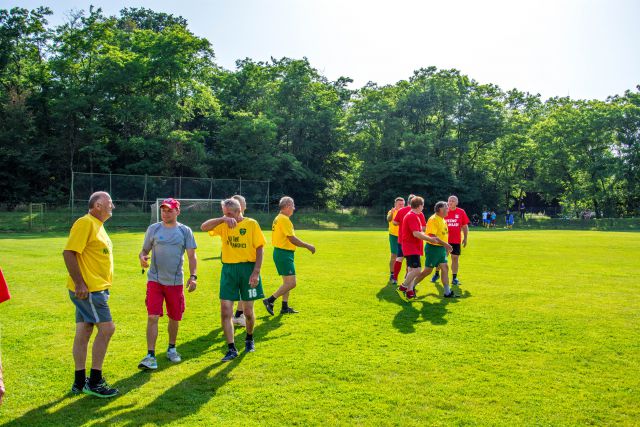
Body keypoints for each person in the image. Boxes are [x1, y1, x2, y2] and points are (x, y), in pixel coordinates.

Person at [62, 191, 118, 397]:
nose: (113, 206)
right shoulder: (85, 223)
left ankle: (79, 382)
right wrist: (80, 283)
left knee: (84, 330)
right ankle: (94, 382)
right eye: (109, 203)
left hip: (96, 289)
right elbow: (69, 252)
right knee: (107, 329)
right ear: (98, 206)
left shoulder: (98, 225)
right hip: (90, 290)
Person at [201, 199, 266, 362]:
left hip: (248, 269)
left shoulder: (251, 224)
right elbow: (204, 227)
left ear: (238, 211)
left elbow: (260, 247)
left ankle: (249, 338)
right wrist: (222, 219)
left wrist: (256, 272)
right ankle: (231, 348)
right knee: (225, 311)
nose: (227, 216)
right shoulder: (224, 224)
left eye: (229, 213)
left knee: (249, 312)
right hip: (229, 270)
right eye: (224, 213)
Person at [137, 198, 197, 370]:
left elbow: (192, 256)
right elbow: (144, 251)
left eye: (169, 210)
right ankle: (150, 355)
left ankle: (171, 348)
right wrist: (142, 258)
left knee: (174, 317)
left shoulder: (185, 231)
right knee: (152, 316)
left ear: (177, 211)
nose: (165, 213)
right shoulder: (153, 229)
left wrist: (193, 277)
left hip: (175, 282)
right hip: (154, 280)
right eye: (163, 210)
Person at [263, 196, 316, 315]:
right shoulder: (284, 219)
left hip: (283, 253)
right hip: (283, 253)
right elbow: (291, 238)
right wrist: (308, 246)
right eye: (292, 205)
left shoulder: (279, 218)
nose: (294, 208)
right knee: (292, 283)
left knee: (287, 283)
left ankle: (284, 307)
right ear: (287, 206)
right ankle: (270, 300)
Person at [395, 197, 438, 301]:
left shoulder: (415, 216)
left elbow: (419, 231)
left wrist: (429, 236)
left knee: (411, 270)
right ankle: (402, 287)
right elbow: (416, 233)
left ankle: (409, 292)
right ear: (419, 206)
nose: (423, 207)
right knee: (417, 270)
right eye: (422, 205)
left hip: (413, 247)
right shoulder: (412, 216)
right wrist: (430, 239)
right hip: (411, 247)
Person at [418, 201, 458, 298]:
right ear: (439, 209)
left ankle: (447, 292)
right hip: (433, 248)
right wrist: (446, 245)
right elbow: (432, 236)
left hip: (440, 249)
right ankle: (410, 286)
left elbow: (442, 235)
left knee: (445, 268)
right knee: (427, 271)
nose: (447, 209)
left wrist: (445, 247)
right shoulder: (434, 219)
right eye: (446, 208)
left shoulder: (442, 219)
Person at [431, 195, 469, 286]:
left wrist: (465, 238)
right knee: (442, 258)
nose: (450, 202)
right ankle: (436, 273)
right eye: (449, 201)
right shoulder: (443, 211)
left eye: (453, 201)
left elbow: (464, 226)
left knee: (455, 258)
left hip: (456, 240)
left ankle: (454, 278)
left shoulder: (461, 212)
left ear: (457, 202)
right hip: (444, 240)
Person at [391, 194, 426, 284]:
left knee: (399, 258)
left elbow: (394, 222)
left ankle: (394, 278)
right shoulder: (419, 213)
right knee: (410, 262)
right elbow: (423, 227)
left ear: (408, 201)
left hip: (402, 239)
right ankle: (407, 280)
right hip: (413, 241)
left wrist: (403, 224)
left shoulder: (402, 210)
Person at [231, 195, 248, 328]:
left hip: (246, 263)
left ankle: (238, 314)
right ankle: (235, 315)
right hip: (233, 263)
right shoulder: (227, 222)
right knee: (234, 292)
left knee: (244, 292)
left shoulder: (250, 223)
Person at [386, 197, 405, 284]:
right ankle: (392, 274)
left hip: (404, 236)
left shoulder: (406, 212)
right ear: (395, 205)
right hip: (394, 236)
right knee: (394, 255)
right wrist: (392, 213)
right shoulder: (392, 211)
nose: (401, 206)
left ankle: (408, 276)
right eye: (399, 204)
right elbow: (389, 219)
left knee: (406, 257)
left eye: (402, 204)